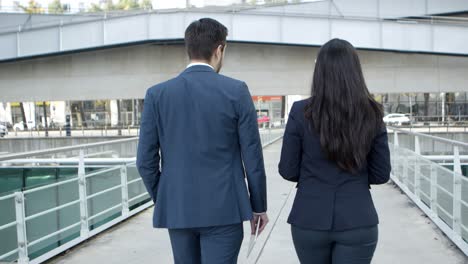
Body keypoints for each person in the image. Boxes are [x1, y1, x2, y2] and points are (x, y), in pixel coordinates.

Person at [136, 18, 269, 264]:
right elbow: (252, 156)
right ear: (219, 49)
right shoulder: (236, 91)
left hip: (179, 208)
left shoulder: (157, 95)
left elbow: (145, 161)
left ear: (189, 48)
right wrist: (258, 205)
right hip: (225, 208)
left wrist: (167, 196)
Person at [278, 38, 391, 264]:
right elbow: (381, 175)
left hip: (309, 218)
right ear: (355, 71)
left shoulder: (300, 111)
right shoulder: (372, 112)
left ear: (319, 72)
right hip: (358, 218)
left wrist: (313, 178)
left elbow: (288, 170)